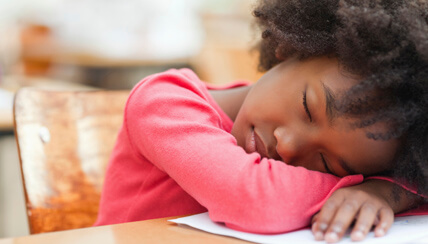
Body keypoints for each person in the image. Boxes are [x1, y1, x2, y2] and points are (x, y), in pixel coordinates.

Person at [95, 0, 428, 242]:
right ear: (292, 47)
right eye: (307, 107)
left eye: (328, 163)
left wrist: (388, 192)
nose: (289, 144)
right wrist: (366, 187)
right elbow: (255, 200)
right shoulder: (164, 102)